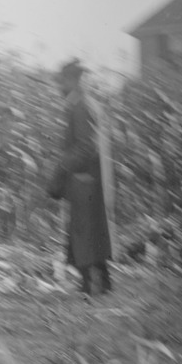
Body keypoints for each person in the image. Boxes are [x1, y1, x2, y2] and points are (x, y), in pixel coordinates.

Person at [46, 59, 116, 296]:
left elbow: (86, 146)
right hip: (90, 178)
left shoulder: (80, 106)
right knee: (93, 232)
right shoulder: (88, 104)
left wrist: (61, 168)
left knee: (84, 232)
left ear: (73, 81)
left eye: (63, 81)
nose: (60, 86)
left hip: (83, 179)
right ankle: (103, 284)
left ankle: (89, 286)